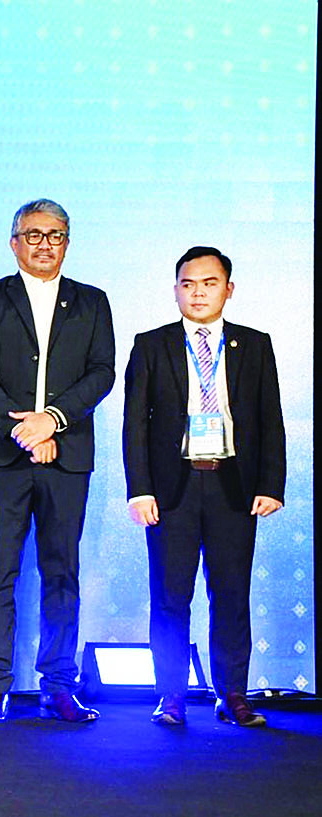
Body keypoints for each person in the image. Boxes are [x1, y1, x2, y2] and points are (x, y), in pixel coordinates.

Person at [0, 199, 114, 723]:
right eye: (33, 234)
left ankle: (58, 687)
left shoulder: (92, 301)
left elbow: (101, 373)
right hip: (4, 455)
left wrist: (52, 420)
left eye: (55, 235)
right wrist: (23, 430)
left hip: (67, 455)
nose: (44, 244)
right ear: (14, 242)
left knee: (61, 573)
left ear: (67, 242)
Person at [123, 247, 284, 727]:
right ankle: (171, 696)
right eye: (188, 284)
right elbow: (135, 424)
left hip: (233, 485)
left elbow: (270, 419)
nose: (198, 293)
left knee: (232, 595)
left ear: (228, 289)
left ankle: (232, 694)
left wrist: (271, 483)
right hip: (171, 487)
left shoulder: (254, 344)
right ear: (175, 290)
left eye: (209, 283)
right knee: (170, 597)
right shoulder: (151, 344)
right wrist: (140, 489)